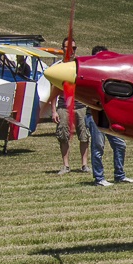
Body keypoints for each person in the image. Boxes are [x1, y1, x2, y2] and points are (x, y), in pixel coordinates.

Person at [86, 45, 133, 186]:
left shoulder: (110, 73)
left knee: (120, 144)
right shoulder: (90, 74)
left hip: (110, 115)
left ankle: (119, 175)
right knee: (98, 148)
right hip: (95, 115)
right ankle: (99, 178)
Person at [49, 38, 89, 174]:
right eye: (68, 47)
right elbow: (53, 91)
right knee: (63, 135)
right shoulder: (58, 68)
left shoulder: (81, 65)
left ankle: (84, 165)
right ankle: (66, 165)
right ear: (63, 49)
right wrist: (53, 111)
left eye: (74, 48)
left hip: (81, 105)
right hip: (64, 106)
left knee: (84, 135)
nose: (72, 51)